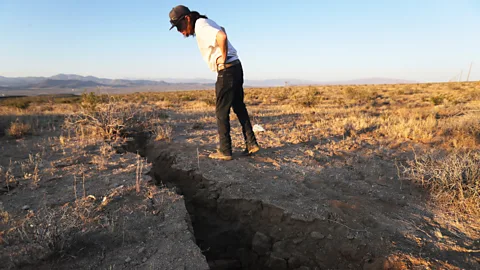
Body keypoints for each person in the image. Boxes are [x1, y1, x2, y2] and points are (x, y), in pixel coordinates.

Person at [169, 5, 260, 161]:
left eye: (179, 26)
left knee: (221, 111)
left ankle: (225, 150)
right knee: (238, 106)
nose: (179, 31)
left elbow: (222, 36)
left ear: (187, 19)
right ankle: (251, 143)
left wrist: (223, 59)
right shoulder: (206, 22)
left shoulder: (201, 25)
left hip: (227, 70)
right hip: (236, 66)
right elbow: (222, 29)